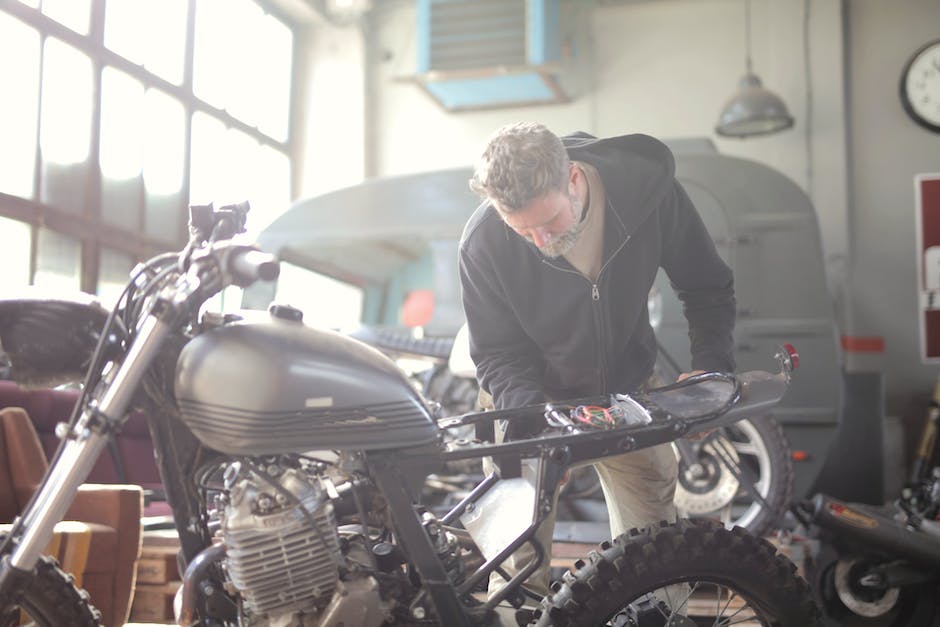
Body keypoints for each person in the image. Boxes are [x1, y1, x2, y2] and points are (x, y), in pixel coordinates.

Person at [457, 122, 736, 603]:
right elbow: (499, 353)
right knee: (516, 564)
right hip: (525, 400)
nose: (541, 240)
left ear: (573, 178)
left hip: (628, 392)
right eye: (522, 229)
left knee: (653, 555)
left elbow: (706, 285)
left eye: (549, 223)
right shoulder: (483, 241)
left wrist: (710, 368)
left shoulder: (648, 194)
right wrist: (532, 429)